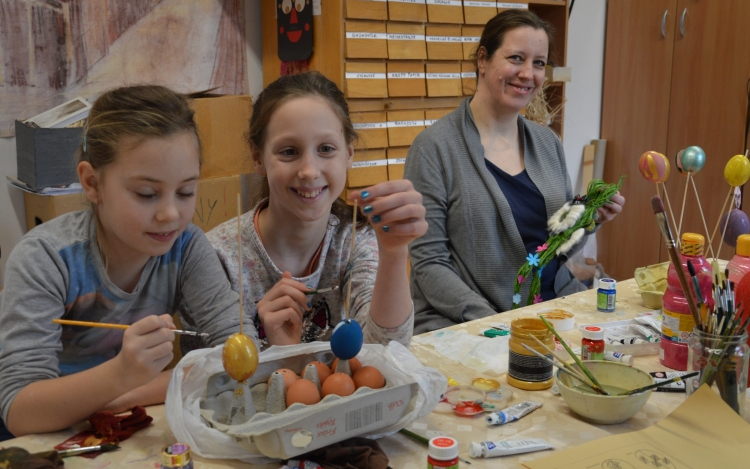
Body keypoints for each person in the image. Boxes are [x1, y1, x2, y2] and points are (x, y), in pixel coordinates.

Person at [0, 85, 250, 437]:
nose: (170, 214)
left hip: (125, 426)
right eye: (146, 194)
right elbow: (19, 411)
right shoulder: (45, 258)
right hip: (50, 437)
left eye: (186, 192)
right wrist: (120, 374)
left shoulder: (187, 246)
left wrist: (129, 392)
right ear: (92, 183)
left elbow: (240, 358)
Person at [404, 10, 625, 333]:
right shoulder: (434, 149)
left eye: (538, 63)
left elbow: (552, 249)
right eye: (516, 58)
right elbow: (429, 265)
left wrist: (591, 220)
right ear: (483, 59)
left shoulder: (547, 143)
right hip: (474, 321)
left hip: (553, 309)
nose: (527, 74)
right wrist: (495, 325)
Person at [205, 72, 426, 350]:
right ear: (257, 157)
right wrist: (281, 354)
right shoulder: (217, 258)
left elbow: (386, 351)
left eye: (326, 149)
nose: (309, 171)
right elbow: (210, 378)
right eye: (289, 152)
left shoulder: (355, 241)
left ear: (349, 153)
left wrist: (394, 252)